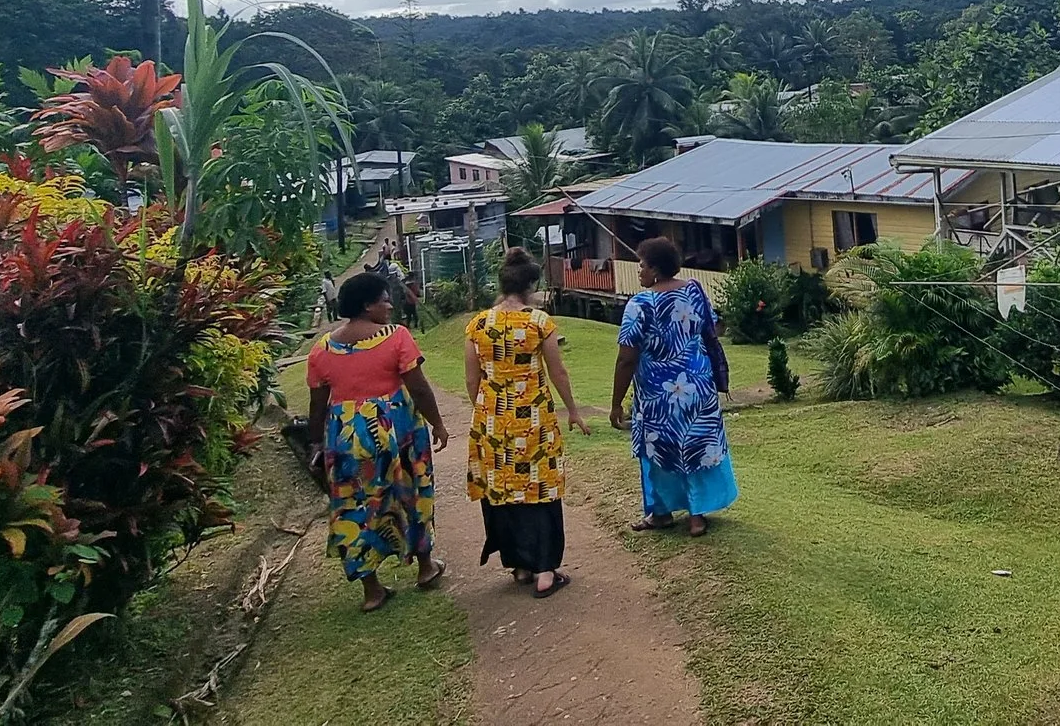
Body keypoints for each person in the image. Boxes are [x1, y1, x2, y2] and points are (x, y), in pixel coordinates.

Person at [306, 270, 447, 612]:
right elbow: (418, 387)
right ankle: (425, 567)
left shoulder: (321, 349)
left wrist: (316, 444)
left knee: (354, 505)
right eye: (385, 299)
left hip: (346, 436)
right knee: (411, 492)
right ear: (368, 305)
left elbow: (317, 404)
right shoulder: (396, 337)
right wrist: (438, 424)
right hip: (397, 429)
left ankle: (372, 591)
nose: (389, 305)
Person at [462, 249, 591, 597]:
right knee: (541, 487)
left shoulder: (478, 325)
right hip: (533, 418)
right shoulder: (539, 322)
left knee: (504, 489)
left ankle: (519, 564)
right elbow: (557, 372)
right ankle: (545, 569)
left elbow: (472, 380)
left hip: (491, 418)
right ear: (530, 285)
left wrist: (487, 413)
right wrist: (573, 410)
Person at [611, 237, 737, 536]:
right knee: (696, 446)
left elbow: (626, 359)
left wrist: (616, 403)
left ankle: (661, 513)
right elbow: (712, 327)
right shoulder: (693, 290)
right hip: (698, 388)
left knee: (658, 452)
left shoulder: (640, 305)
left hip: (659, 396)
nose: (638, 271)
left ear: (654, 269)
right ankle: (696, 517)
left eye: (641, 266)